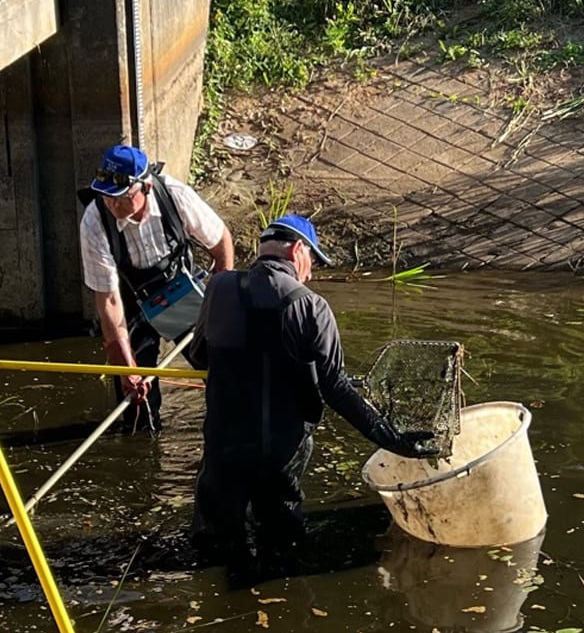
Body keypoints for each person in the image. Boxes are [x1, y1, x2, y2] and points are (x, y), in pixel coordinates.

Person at [188, 214, 439, 572]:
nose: (312, 273)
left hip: (225, 443)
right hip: (280, 449)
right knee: (281, 540)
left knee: (215, 541)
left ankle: (213, 601)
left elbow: (198, 357)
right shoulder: (311, 306)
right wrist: (392, 438)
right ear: (297, 249)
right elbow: (335, 388)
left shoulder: (218, 288)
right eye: (314, 262)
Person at [79, 143, 235, 433]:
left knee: (222, 371)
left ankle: (226, 433)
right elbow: (109, 303)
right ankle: (142, 448)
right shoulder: (95, 221)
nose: (112, 206)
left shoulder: (175, 196)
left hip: (179, 293)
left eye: (121, 198)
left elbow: (220, 241)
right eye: (106, 197)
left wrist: (222, 302)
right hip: (131, 303)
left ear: (145, 188)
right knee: (137, 402)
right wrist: (127, 368)